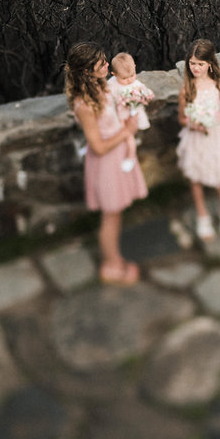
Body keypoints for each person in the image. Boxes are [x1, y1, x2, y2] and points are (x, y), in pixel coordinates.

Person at [65, 41, 146, 286]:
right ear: (88, 71)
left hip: (118, 156)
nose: (106, 63)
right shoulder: (84, 104)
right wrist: (128, 131)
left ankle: (115, 258)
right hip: (106, 162)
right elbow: (98, 146)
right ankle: (111, 266)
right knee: (110, 217)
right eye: (101, 63)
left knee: (116, 212)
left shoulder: (102, 86)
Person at [177, 38, 220, 241]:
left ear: (210, 63)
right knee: (196, 177)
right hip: (197, 137)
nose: (195, 68)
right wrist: (193, 124)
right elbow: (181, 117)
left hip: (219, 134)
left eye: (200, 64)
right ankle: (202, 215)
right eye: (192, 63)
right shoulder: (188, 88)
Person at [107, 52, 154, 173]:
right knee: (117, 135)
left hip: (132, 116)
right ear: (114, 74)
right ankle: (118, 155)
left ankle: (131, 156)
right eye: (124, 78)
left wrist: (144, 96)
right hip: (118, 115)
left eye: (132, 75)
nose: (129, 80)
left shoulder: (136, 84)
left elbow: (147, 94)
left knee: (128, 136)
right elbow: (107, 97)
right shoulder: (112, 84)